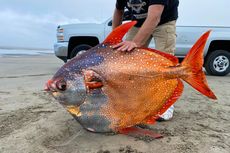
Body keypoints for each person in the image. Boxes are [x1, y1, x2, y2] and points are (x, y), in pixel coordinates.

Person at [112, 0, 179, 121]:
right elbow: (119, 10)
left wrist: (135, 42)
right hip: (139, 23)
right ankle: (134, 102)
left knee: (165, 62)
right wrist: (114, 37)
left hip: (164, 20)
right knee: (126, 60)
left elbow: (154, 16)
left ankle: (166, 105)